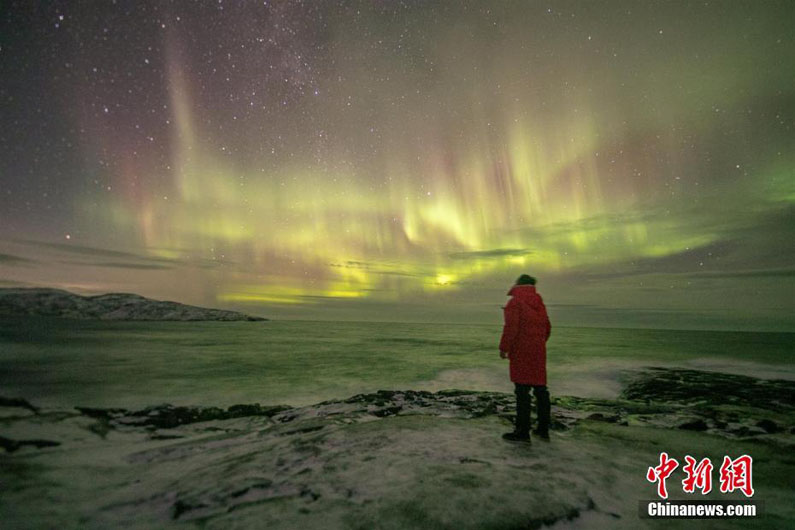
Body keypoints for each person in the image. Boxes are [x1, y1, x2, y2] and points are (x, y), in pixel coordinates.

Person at [498, 274, 551, 443]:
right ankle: (543, 429)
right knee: (540, 389)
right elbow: (548, 327)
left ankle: (522, 431)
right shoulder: (539, 304)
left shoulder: (515, 302)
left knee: (522, 391)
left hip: (521, 351)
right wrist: (538, 343)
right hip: (538, 351)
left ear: (518, 284)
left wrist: (504, 347)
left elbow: (511, 327)